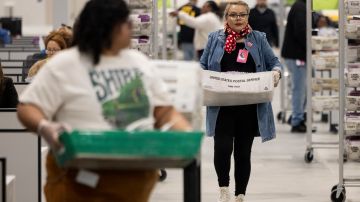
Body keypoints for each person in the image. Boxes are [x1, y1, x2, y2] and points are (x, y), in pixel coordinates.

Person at [17, 0, 191, 201]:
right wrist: (44, 126)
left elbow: (164, 112)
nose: (131, 27)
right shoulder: (65, 64)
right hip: (78, 180)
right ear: (110, 27)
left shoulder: (139, 63)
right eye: (126, 22)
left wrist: (186, 136)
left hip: (132, 181)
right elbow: (27, 107)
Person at [200, 1, 282, 202]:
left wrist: (276, 73)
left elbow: (275, 62)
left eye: (242, 15)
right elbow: (202, 64)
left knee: (243, 153)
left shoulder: (258, 38)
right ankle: (224, 189)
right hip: (222, 106)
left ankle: (240, 194)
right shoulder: (215, 38)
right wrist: (200, 75)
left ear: (248, 16)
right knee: (222, 149)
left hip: (249, 108)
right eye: (233, 15)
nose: (238, 19)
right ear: (226, 17)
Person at [281, 0, 306, 133]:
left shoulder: (300, 6)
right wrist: (312, 45)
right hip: (297, 55)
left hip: (297, 55)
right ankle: (297, 120)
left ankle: (297, 116)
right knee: (299, 89)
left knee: (302, 88)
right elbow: (301, 31)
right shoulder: (300, 7)